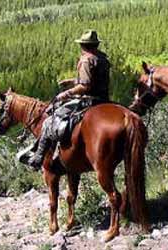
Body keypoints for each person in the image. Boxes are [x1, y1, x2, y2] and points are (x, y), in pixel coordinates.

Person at [25, 29, 111, 169]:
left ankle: (38, 158)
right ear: (96, 45)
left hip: (88, 100)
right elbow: (93, 80)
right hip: (104, 99)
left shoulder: (85, 60)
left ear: (83, 45)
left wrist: (65, 94)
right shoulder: (102, 58)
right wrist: (72, 81)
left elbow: (85, 86)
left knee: (49, 122)